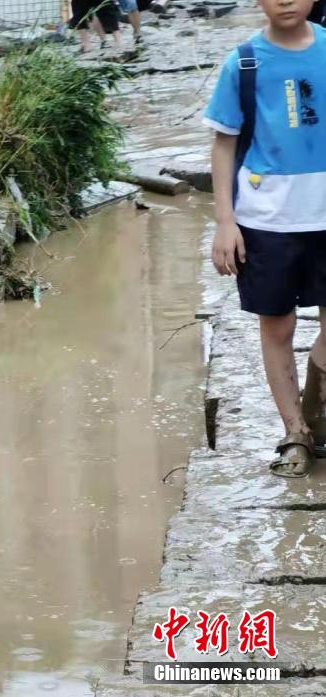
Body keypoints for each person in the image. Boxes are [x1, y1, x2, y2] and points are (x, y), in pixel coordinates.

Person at [206, 0, 326, 477]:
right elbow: (223, 143)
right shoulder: (244, 63)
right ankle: (295, 432)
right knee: (277, 327)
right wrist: (224, 221)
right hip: (266, 219)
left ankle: (315, 415)